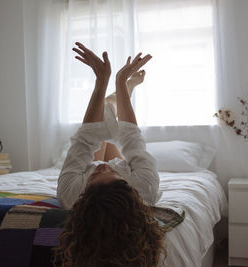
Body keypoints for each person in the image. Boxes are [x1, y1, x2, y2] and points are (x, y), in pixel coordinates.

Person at [53, 42, 165, 267]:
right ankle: (116, 100)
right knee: (106, 115)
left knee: (102, 110)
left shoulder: (69, 194)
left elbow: (85, 139)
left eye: (93, 176)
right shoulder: (146, 187)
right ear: (127, 184)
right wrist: (122, 83)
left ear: (84, 195)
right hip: (127, 165)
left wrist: (101, 82)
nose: (101, 166)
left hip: (98, 165)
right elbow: (132, 139)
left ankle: (111, 103)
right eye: (111, 173)